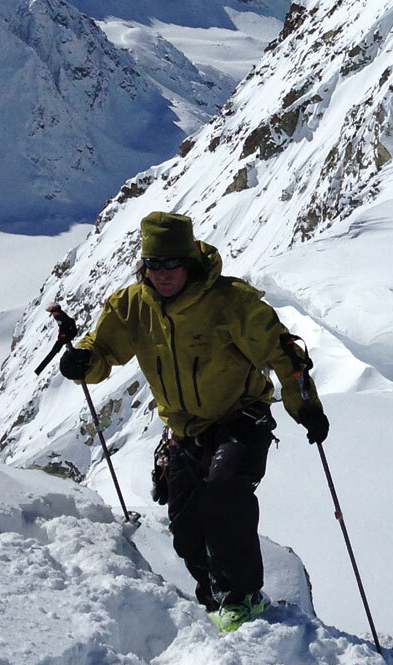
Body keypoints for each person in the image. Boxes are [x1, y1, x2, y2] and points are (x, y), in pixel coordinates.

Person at [59, 210, 329, 630]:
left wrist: (306, 406)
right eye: (154, 264)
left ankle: (243, 598)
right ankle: (214, 599)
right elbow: (104, 350)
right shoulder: (132, 307)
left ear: (189, 261)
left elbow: (283, 354)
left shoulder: (230, 303)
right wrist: (84, 361)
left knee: (224, 494)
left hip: (242, 416)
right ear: (143, 265)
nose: (163, 274)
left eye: (172, 264)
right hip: (184, 429)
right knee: (186, 529)